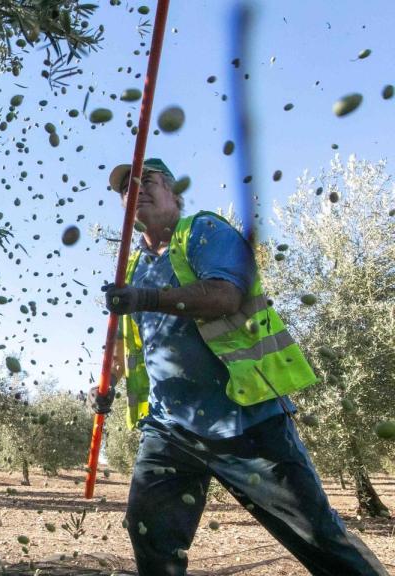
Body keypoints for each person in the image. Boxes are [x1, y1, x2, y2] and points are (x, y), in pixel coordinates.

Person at [89, 158, 388, 576]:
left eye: (147, 180)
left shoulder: (203, 231)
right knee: (151, 537)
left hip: (244, 419)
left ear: (174, 194)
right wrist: (106, 384)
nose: (134, 190)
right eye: (125, 189)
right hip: (170, 429)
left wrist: (145, 298)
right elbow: (137, 343)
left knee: (318, 539)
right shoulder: (134, 267)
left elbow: (225, 295)